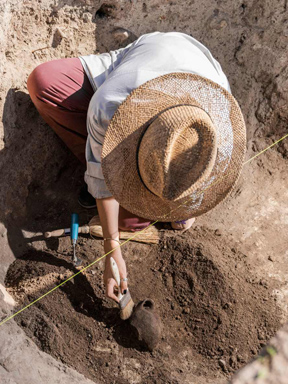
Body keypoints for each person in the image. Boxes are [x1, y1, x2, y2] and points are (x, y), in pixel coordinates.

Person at [27, 32, 246, 305]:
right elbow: (103, 188)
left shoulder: (218, 130)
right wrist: (112, 249)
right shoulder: (110, 106)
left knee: (137, 217)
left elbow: (206, 174)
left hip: (195, 64)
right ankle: (125, 175)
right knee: (44, 81)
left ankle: (165, 202)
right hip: (142, 56)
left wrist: (187, 207)